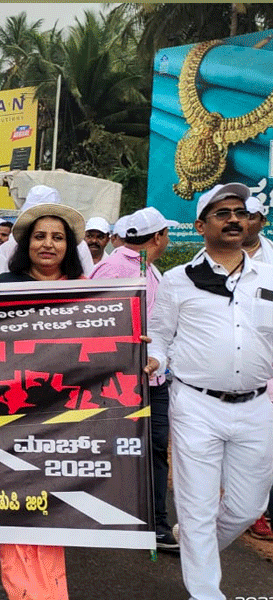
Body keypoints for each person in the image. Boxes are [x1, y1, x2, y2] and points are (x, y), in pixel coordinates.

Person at [147, 182, 273, 600]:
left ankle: (195, 545)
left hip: (257, 406)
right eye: (223, 213)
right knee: (197, 506)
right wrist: (155, 360)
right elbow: (159, 335)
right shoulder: (178, 280)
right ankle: (205, 591)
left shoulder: (269, 275)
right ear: (201, 225)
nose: (234, 219)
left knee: (247, 507)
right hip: (196, 405)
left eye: (240, 212)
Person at [0, 200, 86, 600]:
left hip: (64, 417)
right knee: (17, 504)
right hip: (10, 415)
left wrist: (137, 345)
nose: (48, 244)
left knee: (51, 507)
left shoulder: (88, 292)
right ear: (26, 244)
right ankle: (24, 591)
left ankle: (49, 590)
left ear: (68, 246)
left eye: (58, 237)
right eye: (40, 236)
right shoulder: (1, 286)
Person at [90, 207, 179, 551]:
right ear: (158, 237)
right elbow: (92, 320)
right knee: (116, 448)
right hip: (122, 381)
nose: (167, 240)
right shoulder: (114, 268)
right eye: (166, 234)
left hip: (153, 380)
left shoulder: (151, 269)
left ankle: (155, 524)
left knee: (154, 450)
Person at [242, 196, 273, 541]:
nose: (244, 221)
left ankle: (259, 510)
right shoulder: (214, 257)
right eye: (240, 214)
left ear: (262, 221)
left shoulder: (271, 260)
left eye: (252, 216)